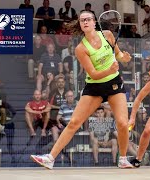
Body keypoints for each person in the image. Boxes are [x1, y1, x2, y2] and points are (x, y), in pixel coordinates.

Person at [30, 10, 133, 169]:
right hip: (95, 86)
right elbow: (93, 73)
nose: (85, 22)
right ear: (80, 25)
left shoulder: (107, 35)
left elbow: (117, 54)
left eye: (88, 19)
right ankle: (50, 158)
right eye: (82, 20)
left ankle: (123, 159)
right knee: (74, 122)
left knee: (122, 123)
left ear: (94, 22)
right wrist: (110, 70)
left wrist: (123, 58)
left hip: (114, 84)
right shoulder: (80, 48)